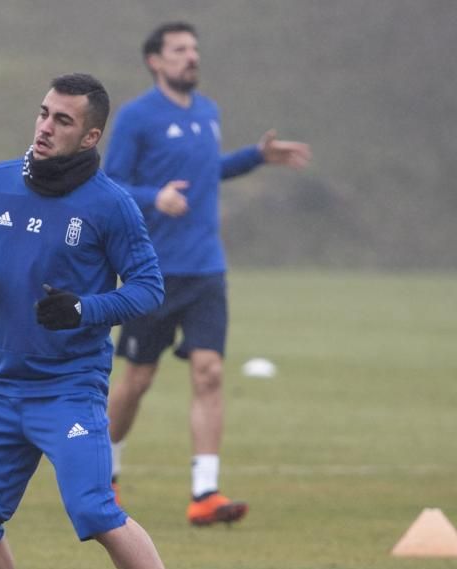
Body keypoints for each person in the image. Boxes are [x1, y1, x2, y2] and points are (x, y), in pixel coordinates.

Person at [0, 73, 212, 569]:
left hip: (70, 388)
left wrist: (84, 310)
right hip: (3, 387)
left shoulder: (111, 204)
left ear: (91, 135)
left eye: (63, 120)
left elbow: (148, 287)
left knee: (94, 509)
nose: (45, 126)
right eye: (43, 113)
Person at [104, 22, 311, 525]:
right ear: (155, 61)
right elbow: (108, 184)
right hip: (150, 271)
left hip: (205, 270)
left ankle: (205, 493)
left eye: (194, 49)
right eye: (179, 50)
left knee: (210, 372)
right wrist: (156, 197)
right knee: (137, 379)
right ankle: (102, 475)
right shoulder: (136, 117)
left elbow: (206, 172)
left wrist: (255, 158)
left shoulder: (208, 111)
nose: (191, 57)